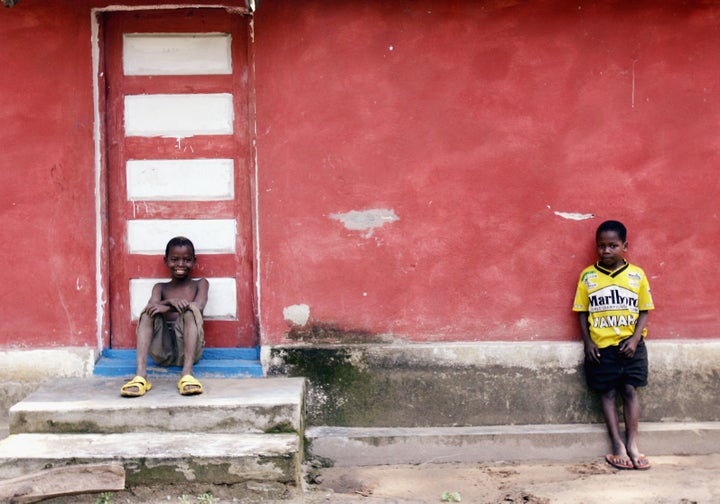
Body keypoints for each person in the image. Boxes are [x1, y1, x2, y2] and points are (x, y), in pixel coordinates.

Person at [572, 220, 655, 470]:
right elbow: (582, 311)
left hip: (630, 346)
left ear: (624, 246)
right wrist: (588, 344)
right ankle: (617, 445)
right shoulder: (588, 276)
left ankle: (633, 445)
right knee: (607, 393)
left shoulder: (636, 275)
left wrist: (635, 339)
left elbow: (644, 310)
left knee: (630, 390)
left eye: (612, 245)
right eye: (601, 246)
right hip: (601, 346)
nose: (606, 251)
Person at [121, 236, 209, 397]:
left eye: (187, 260)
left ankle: (187, 374)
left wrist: (167, 306)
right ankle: (141, 375)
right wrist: (170, 301)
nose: (180, 264)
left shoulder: (201, 284)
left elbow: (200, 306)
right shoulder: (160, 288)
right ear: (166, 261)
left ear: (194, 261)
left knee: (190, 310)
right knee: (148, 313)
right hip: (163, 352)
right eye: (174, 259)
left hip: (189, 351)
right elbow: (152, 307)